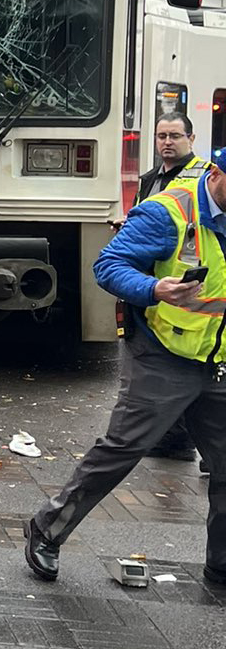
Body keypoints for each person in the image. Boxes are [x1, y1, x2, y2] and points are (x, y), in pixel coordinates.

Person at [25, 147, 226, 583]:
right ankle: (47, 529)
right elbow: (108, 265)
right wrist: (155, 289)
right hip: (161, 352)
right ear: (217, 174)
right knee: (123, 448)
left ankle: (222, 565)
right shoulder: (167, 212)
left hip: (218, 359)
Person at [134, 113, 214, 462]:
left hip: (195, 281)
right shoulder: (151, 178)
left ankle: (185, 442)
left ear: (191, 139)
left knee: (191, 363)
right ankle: (173, 437)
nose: (167, 142)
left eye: (175, 136)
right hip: (157, 280)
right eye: (161, 136)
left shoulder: (205, 176)